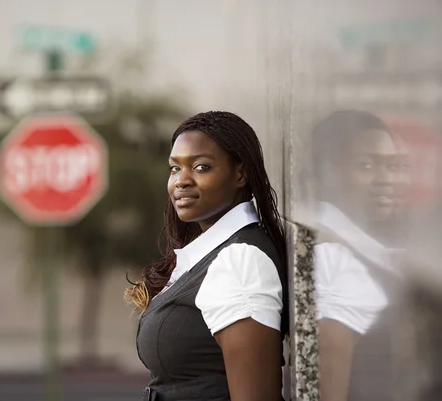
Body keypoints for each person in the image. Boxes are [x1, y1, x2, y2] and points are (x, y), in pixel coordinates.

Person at [125, 111, 289, 401]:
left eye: (201, 167)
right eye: (175, 168)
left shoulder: (240, 261)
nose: (181, 181)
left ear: (241, 173)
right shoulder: (209, 253)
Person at [309, 110, 411, 401]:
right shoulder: (336, 257)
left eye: (393, 166)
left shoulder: (358, 248)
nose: (386, 179)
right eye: (366, 165)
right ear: (329, 170)